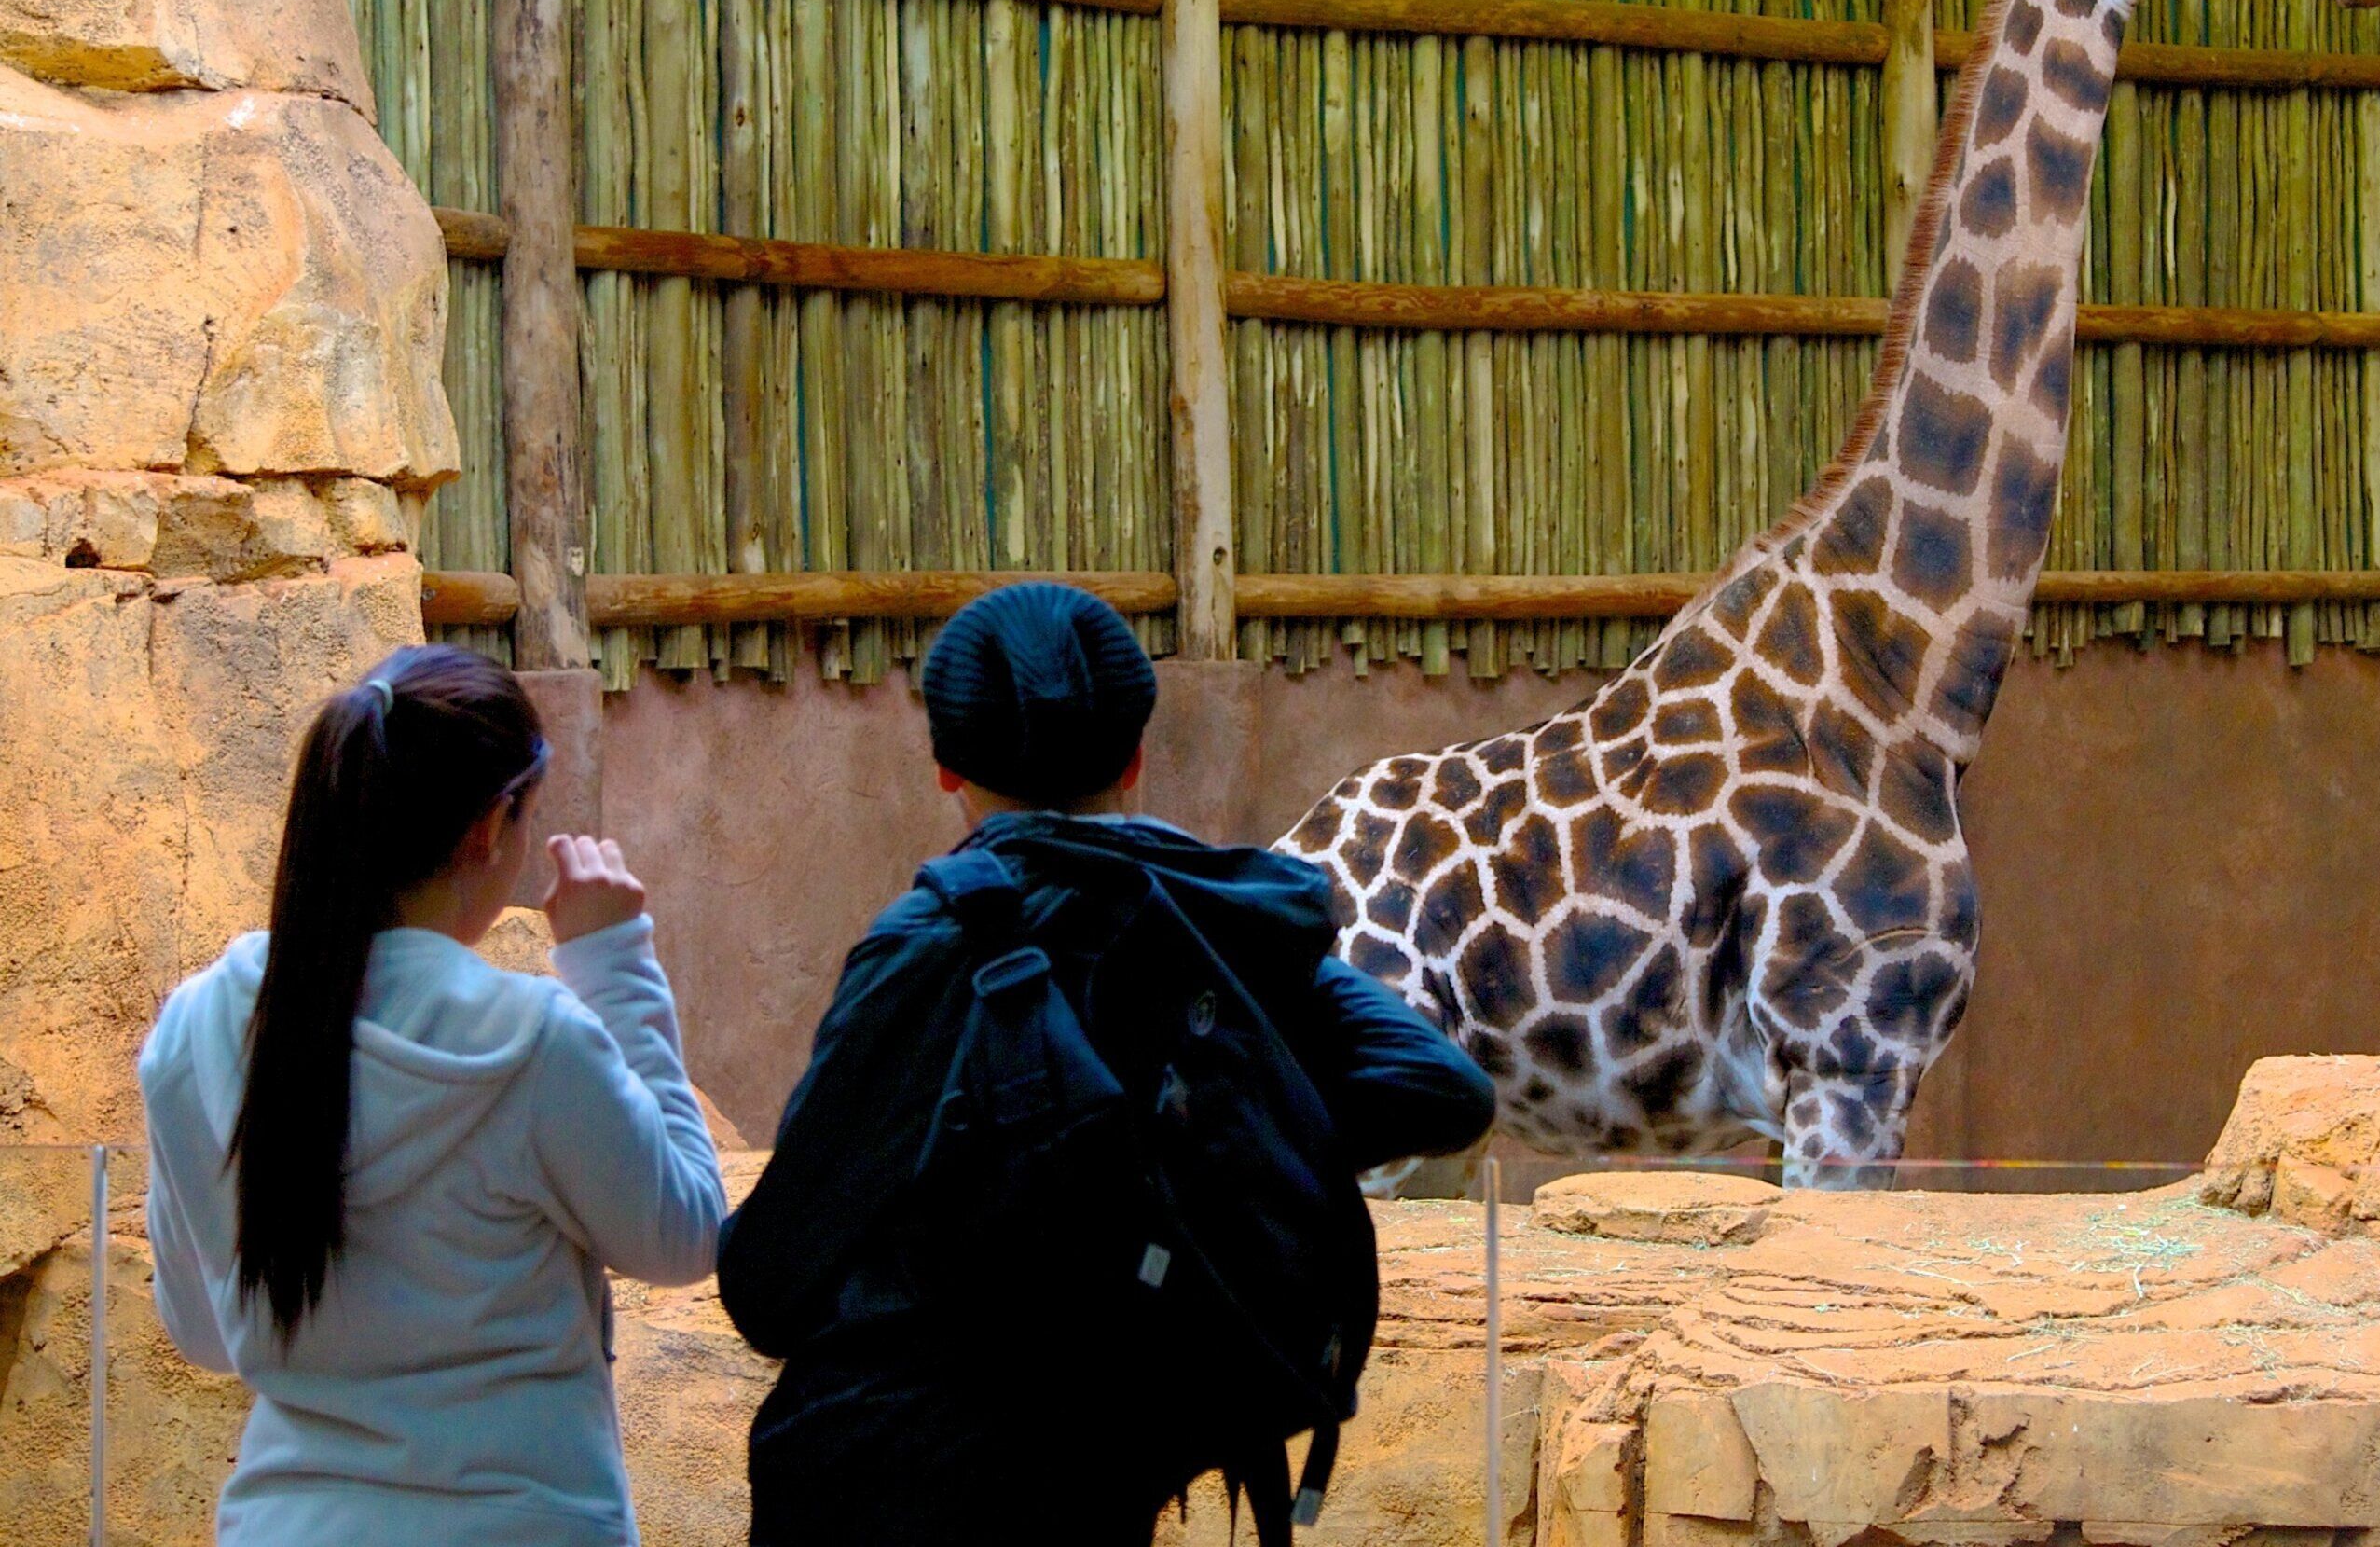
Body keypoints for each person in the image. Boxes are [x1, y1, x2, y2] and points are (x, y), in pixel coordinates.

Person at [720, 584, 1493, 1547]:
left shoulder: (934, 940)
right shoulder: (1230, 918)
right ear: (1136, 756)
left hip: (895, 1476)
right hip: (1108, 1464)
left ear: (945, 769)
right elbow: (1439, 1087)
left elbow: (767, 1280)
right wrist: (1202, 1142)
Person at [138, 644, 725, 1547]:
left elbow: (212, 1335)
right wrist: (616, 963)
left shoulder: (194, 1029)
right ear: (488, 832)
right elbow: (687, 1231)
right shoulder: (530, 1042)